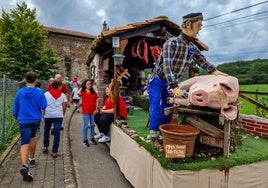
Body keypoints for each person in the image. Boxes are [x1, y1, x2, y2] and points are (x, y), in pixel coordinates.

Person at [148, 12, 228, 146]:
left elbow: (203, 61)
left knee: (169, 106)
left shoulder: (192, 47)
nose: (201, 27)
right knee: (157, 106)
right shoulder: (171, 43)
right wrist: (175, 86)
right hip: (158, 80)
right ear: (189, 24)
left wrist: (215, 72)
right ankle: (153, 137)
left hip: (170, 83)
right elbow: (167, 67)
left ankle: (163, 132)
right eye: (199, 24)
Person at [12, 71, 47, 181]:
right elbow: (44, 106)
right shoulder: (40, 92)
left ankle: (24, 165)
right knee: (32, 139)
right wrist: (40, 114)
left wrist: (16, 117)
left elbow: (15, 107)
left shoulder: (20, 92)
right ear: (36, 80)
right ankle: (32, 159)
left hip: (23, 120)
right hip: (35, 120)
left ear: (25, 80)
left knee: (24, 142)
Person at [43, 80, 67, 158]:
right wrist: (63, 113)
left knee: (46, 130)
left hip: (48, 115)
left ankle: (45, 146)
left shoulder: (46, 94)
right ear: (59, 86)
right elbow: (64, 105)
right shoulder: (62, 95)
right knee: (57, 133)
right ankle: (54, 151)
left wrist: (43, 113)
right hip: (58, 116)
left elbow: (43, 105)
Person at [78, 79, 98, 147]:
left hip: (92, 112)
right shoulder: (83, 91)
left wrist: (96, 109)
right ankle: (85, 140)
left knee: (92, 125)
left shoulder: (93, 92)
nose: (89, 85)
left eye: (90, 84)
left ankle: (92, 139)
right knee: (85, 126)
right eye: (87, 84)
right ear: (85, 85)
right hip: (86, 112)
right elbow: (78, 93)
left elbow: (96, 100)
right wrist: (82, 87)